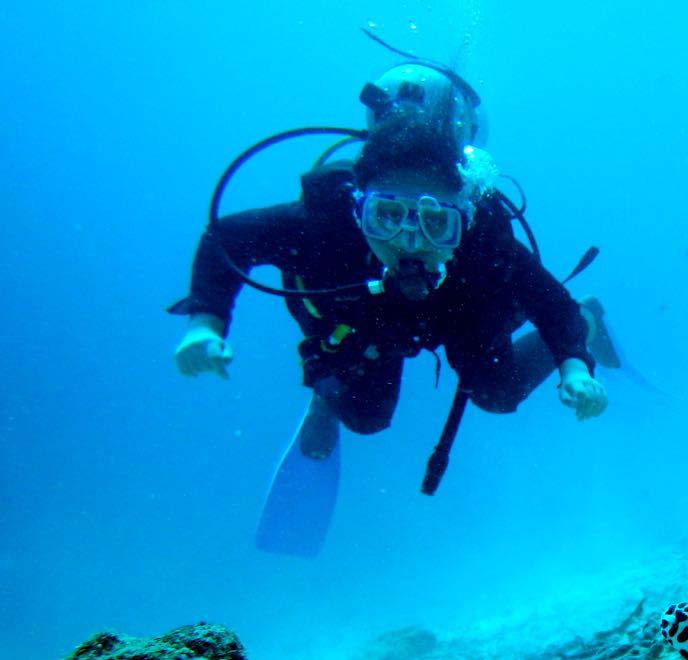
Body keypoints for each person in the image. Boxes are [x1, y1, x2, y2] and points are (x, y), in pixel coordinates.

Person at [170, 63, 616, 470]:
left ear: (462, 217)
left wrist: (574, 368)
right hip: (367, 327)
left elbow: (552, 304)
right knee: (366, 418)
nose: (410, 240)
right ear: (358, 206)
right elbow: (225, 238)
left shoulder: (484, 240)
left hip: (458, 317)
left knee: (498, 394)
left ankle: (591, 319)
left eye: (436, 222)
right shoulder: (323, 225)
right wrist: (205, 324)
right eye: (386, 216)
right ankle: (326, 394)